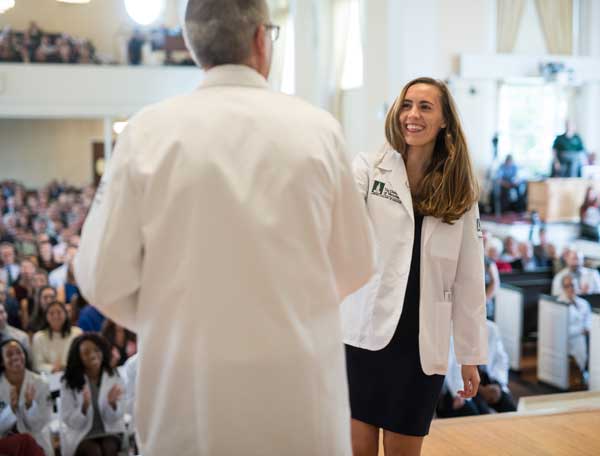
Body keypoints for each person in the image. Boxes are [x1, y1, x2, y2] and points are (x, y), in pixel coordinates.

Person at [74, 1, 376, 455]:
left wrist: (176, 315)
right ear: (261, 38)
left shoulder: (147, 132)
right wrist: (287, 305)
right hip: (297, 395)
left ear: (196, 48)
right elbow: (357, 261)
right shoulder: (317, 130)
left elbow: (101, 276)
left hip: (190, 394)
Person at [341, 77, 487, 456]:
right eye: (407, 105)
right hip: (364, 335)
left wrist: (470, 356)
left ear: (444, 121)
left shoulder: (460, 191)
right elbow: (341, 230)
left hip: (421, 346)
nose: (413, 114)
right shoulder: (369, 168)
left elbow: (470, 278)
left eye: (425, 107)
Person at [60, 333, 126, 456]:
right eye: (86, 352)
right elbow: (69, 420)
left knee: (108, 448)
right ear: (78, 357)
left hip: (110, 431)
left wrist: (112, 404)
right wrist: (84, 408)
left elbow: (116, 417)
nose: (92, 355)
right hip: (82, 435)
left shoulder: (113, 376)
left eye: (96, 350)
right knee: (94, 452)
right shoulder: (69, 381)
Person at [0, 340, 53, 456]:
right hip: (7, 446)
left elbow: (42, 423)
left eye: (19, 352)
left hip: (36, 442)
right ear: (2, 361)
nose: (15, 357)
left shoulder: (41, 383)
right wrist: (11, 410)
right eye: (9, 354)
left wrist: (30, 406)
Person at [31, 301, 82, 374]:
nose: (55, 316)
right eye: (51, 313)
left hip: (74, 374)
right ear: (46, 316)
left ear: (66, 314)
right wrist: (53, 368)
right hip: (49, 377)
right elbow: (37, 365)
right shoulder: (38, 337)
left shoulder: (77, 333)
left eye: (59, 312)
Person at [558, 275, 592, 378]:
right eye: (567, 286)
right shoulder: (559, 305)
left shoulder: (583, 303)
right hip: (570, 339)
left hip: (586, 335)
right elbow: (562, 330)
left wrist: (587, 328)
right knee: (579, 343)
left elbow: (589, 320)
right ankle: (581, 372)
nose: (570, 289)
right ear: (563, 288)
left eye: (572, 285)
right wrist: (581, 330)